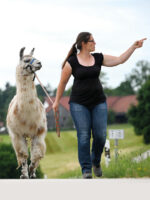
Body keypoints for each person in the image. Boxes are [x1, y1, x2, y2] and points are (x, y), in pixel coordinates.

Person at [52, 32, 146, 179]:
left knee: (100, 136)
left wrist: (133, 47)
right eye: (92, 41)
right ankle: (86, 170)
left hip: (98, 102)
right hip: (79, 104)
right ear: (83, 43)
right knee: (83, 136)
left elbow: (120, 60)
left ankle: (95, 161)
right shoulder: (72, 62)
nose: (95, 43)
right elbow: (62, 83)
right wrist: (57, 101)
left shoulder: (98, 58)